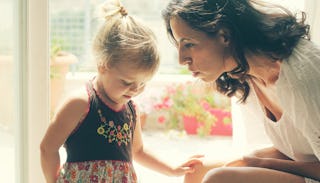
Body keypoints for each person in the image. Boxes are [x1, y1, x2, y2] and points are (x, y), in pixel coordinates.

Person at [40, 0, 202, 182]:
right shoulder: (80, 103)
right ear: (103, 66)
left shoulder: (131, 109)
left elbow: (138, 151)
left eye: (143, 83)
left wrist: (171, 170)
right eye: (127, 82)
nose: (135, 89)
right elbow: (48, 148)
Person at [162, 0, 320, 183]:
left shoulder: (303, 77)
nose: (182, 59)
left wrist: (263, 164)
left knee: (219, 179)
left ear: (225, 36)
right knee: (196, 171)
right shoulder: (245, 75)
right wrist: (255, 159)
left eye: (188, 44)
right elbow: (298, 148)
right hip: (306, 164)